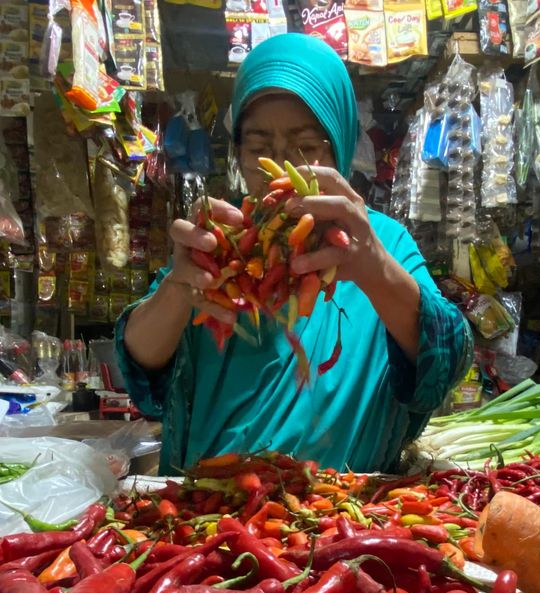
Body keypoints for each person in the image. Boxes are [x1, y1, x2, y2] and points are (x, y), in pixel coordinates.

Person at [115, 33, 472, 475]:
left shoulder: (381, 241)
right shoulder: (223, 240)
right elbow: (141, 375)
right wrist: (176, 287)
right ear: (239, 152)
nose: (281, 168)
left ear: (337, 146)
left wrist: (375, 272)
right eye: (259, 148)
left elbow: (447, 365)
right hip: (209, 523)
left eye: (305, 146)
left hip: (345, 521)